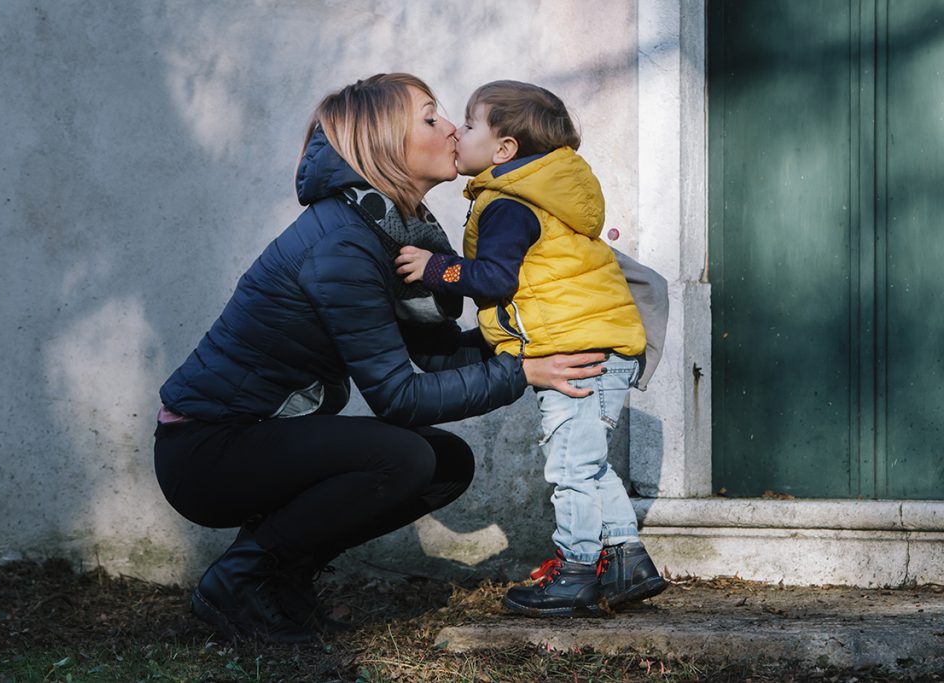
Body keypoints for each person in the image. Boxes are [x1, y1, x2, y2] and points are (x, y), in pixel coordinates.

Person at [153, 73, 610, 643]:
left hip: (253, 436)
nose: (450, 129)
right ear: (384, 144)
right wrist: (522, 372)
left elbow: (438, 357)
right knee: (403, 457)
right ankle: (238, 581)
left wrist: (538, 342)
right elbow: (398, 398)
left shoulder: (384, 229)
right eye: (430, 118)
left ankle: (280, 582)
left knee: (445, 462)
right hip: (206, 450)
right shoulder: (342, 244)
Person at [395, 80, 668, 617]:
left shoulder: (509, 204)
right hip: (602, 346)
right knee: (588, 463)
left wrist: (437, 271)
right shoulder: (550, 194)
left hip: (575, 352)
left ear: (504, 150)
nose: (457, 132)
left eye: (469, 124)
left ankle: (573, 571)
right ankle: (626, 560)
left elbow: (495, 279)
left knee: (569, 468)